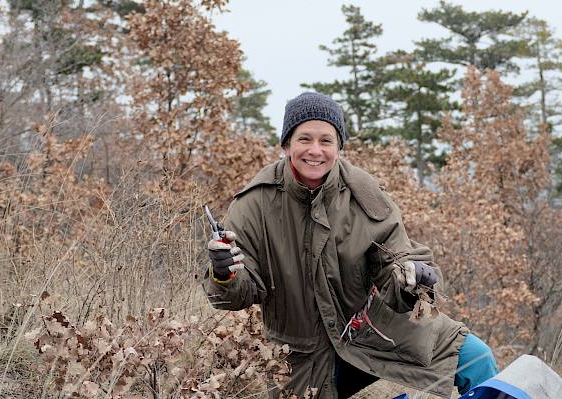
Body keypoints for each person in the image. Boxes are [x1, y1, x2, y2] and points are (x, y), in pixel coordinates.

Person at [202, 92, 497, 398]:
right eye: (304, 139)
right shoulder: (254, 203)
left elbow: (395, 258)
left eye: (326, 141)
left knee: (478, 360)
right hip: (303, 355)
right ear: (287, 145)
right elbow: (235, 295)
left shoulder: (364, 192)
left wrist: (413, 277)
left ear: (339, 148)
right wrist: (225, 273)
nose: (315, 151)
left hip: (375, 331)